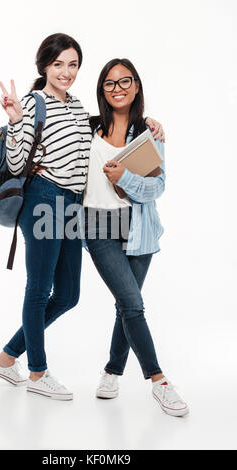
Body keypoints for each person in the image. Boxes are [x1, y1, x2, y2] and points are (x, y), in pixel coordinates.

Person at [0, 33, 164, 401]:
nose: (66, 72)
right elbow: (19, 163)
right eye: (58, 64)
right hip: (44, 198)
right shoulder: (34, 102)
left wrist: (148, 120)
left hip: (72, 204)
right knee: (39, 289)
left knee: (67, 294)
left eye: (72, 64)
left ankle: (6, 358)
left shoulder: (76, 104)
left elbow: (106, 126)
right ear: (44, 67)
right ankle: (37, 372)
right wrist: (17, 121)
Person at [83, 58, 189, 417]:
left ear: (137, 86)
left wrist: (124, 178)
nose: (118, 89)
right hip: (97, 226)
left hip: (139, 230)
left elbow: (156, 186)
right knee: (133, 303)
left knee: (125, 306)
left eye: (125, 81)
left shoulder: (150, 134)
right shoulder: (88, 128)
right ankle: (159, 382)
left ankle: (112, 372)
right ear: (102, 91)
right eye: (110, 84)